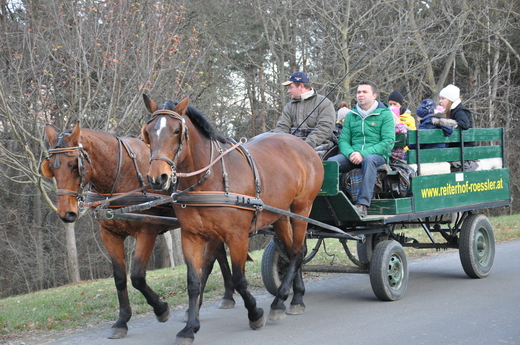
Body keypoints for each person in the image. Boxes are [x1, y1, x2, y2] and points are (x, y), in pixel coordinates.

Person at [327, 80, 395, 217]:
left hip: (377, 155)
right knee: (330, 164)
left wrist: (363, 154)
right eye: (358, 92)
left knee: (369, 160)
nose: (360, 95)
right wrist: (351, 153)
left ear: (374, 96)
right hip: (353, 154)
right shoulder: (351, 115)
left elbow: (388, 141)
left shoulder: (385, 114)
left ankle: (362, 204)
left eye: (365, 92)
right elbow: (343, 140)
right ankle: (333, 203)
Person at [274, 72, 336, 153]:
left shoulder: (325, 103)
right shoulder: (289, 107)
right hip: (292, 145)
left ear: (301, 86)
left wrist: (307, 145)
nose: (288, 91)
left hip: (318, 145)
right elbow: (282, 128)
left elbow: (325, 128)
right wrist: (283, 144)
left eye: (291, 87)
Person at [438, 84, 478, 171]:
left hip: (464, 152)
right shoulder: (452, 111)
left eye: (443, 98)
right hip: (457, 151)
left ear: (451, 100)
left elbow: (464, 124)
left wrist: (447, 124)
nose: (440, 101)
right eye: (440, 98)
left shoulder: (459, 111)